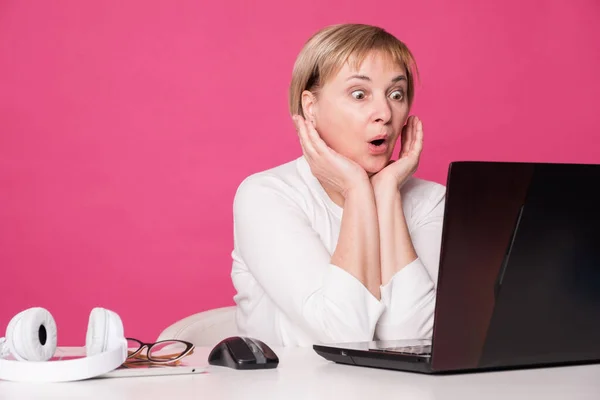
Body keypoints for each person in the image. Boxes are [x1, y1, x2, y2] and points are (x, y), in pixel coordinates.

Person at [230, 23, 446, 347]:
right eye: (359, 94)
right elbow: (342, 335)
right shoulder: (266, 196)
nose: (384, 113)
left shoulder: (431, 201)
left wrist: (385, 193)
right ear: (310, 107)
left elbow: (412, 342)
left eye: (396, 94)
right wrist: (358, 190)